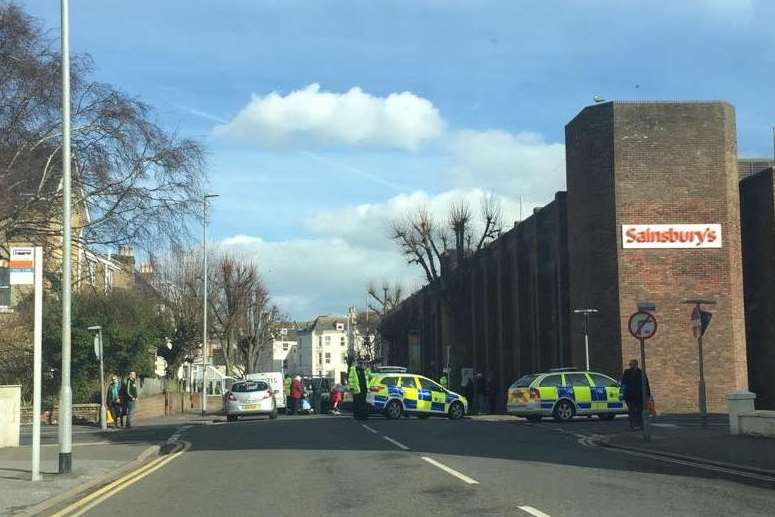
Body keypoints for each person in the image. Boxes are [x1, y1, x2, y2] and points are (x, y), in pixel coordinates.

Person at [621, 359, 651, 430]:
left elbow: (646, 384)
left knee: (640, 410)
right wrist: (623, 393)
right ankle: (633, 425)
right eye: (630, 365)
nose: (631, 366)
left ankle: (640, 425)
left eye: (632, 364)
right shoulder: (627, 372)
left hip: (639, 395)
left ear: (636, 365)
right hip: (629, 395)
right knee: (632, 411)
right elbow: (623, 383)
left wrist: (648, 395)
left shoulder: (641, 373)